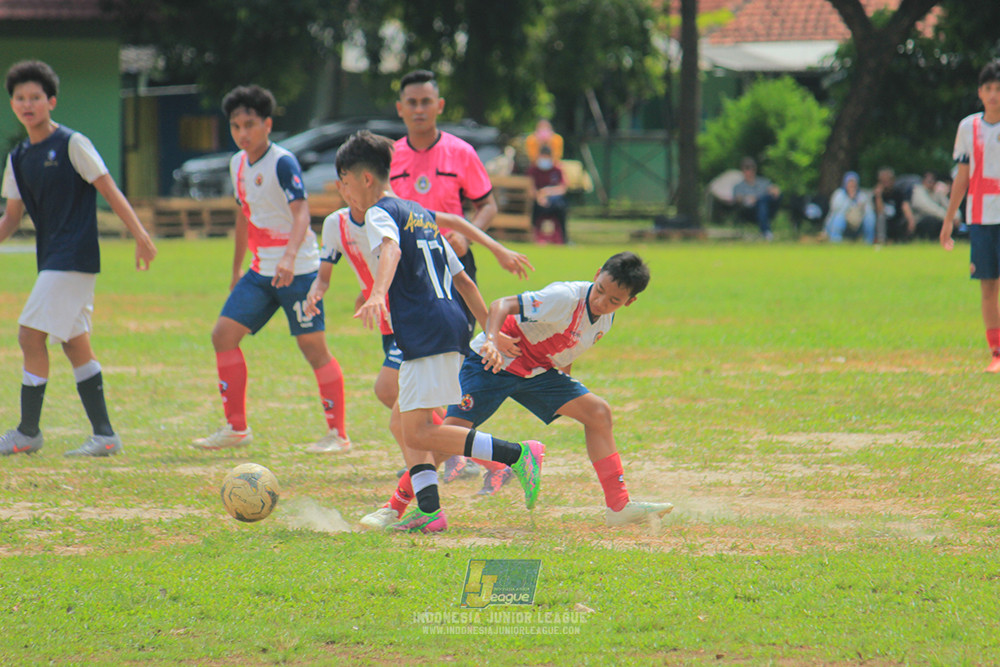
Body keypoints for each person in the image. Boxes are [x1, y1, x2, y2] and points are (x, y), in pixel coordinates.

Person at [363, 251, 674, 527]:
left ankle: (619, 506)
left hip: (537, 372)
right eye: (601, 290)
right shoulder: (564, 296)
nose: (601, 301)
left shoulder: (605, 319)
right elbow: (502, 304)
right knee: (446, 441)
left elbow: (566, 349)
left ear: (629, 302)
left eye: (613, 300)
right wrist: (492, 338)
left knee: (598, 412)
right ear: (596, 275)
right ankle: (393, 508)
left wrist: (565, 382)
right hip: (492, 363)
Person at [334, 130, 544, 533]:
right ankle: (430, 511)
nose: (344, 192)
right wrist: (489, 331)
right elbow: (463, 280)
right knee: (405, 424)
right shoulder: (419, 212)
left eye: (345, 182)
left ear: (364, 178)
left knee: (418, 429)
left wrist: (378, 292)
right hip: (449, 323)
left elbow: (391, 250)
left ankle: (517, 454)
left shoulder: (380, 214)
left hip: (424, 330)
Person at [0, 60, 157, 457]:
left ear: (51, 101)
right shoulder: (18, 157)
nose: (28, 104)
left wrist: (140, 235)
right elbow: (12, 218)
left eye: (36, 97)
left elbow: (109, 189)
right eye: (20, 98)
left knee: (29, 334)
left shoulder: (72, 143)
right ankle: (105, 436)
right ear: (12, 104)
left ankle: (28, 432)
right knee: (74, 345)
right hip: (51, 256)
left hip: (74, 256)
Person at [193, 85, 348, 452]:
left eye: (249, 124)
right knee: (223, 336)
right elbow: (244, 217)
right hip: (260, 272)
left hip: (301, 269)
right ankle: (236, 429)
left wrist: (290, 259)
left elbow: (302, 215)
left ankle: (338, 435)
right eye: (235, 126)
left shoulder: (282, 162)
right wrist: (236, 271)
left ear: (267, 124)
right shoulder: (237, 164)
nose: (242, 133)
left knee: (313, 348)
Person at [389, 69, 499, 482]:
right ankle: (445, 448)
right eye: (411, 103)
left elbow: (487, 204)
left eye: (425, 101)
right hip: (407, 278)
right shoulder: (391, 157)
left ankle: (440, 453)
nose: (419, 109)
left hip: (451, 272)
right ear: (400, 109)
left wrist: (467, 236)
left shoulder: (460, 152)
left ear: (439, 106)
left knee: (445, 367)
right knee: (397, 384)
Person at [940, 60, 1000, 373]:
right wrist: (950, 218)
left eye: (999, 89)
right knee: (988, 287)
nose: (994, 95)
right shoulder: (969, 128)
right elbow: (962, 177)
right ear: (980, 92)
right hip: (980, 217)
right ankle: (997, 352)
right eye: (989, 88)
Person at [527, 145, 569, 244]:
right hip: (538, 201)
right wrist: (539, 197)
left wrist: (547, 192)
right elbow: (531, 189)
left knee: (561, 207)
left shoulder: (557, 170)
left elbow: (563, 188)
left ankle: (563, 238)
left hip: (555, 201)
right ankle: (536, 237)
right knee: (535, 209)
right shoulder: (533, 171)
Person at [732, 157, 781, 241]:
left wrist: (774, 190)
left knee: (763, 201)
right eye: (746, 168)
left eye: (752, 168)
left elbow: (776, 190)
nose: (749, 171)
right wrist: (748, 199)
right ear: (742, 170)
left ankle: (766, 232)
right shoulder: (739, 186)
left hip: (768, 209)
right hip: (749, 211)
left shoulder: (763, 182)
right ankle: (766, 232)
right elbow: (738, 199)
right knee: (761, 202)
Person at [824, 171, 875, 244]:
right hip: (842, 223)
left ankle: (869, 241)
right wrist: (850, 199)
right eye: (850, 182)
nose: (852, 185)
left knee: (870, 217)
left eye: (854, 182)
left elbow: (868, 210)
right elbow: (836, 211)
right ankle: (835, 241)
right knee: (839, 217)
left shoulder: (862, 195)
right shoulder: (839, 194)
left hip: (858, 223)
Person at [873, 167, 916, 243]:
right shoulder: (877, 195)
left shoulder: (898, 192)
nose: (886, 183)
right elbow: (880, 211)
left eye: (888, 180)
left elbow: (905, 205)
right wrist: (878, 196)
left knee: (904, 221)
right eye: (883, 181)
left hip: (897, 220)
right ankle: (881, 240)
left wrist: (911, 220)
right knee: (881, 218)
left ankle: (901, 241)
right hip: (885, 222)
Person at [911, 171, 954, 240]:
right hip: (920, 220)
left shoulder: (937, 192)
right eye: (929, 181)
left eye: (933, 181)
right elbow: (927, 207)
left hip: (939, 217)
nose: (931, 183)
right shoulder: (918, 191)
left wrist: (955, 216)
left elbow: (948, 205)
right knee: (931, 221)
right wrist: (947, 217)